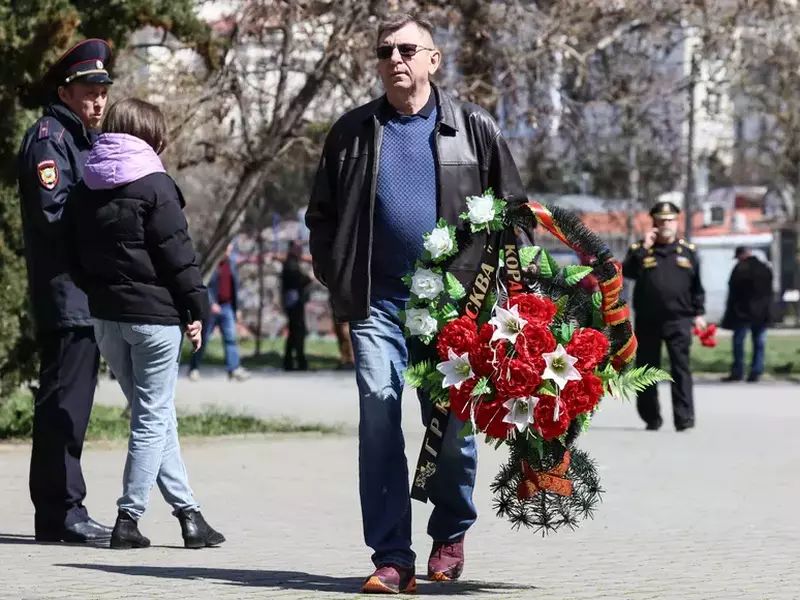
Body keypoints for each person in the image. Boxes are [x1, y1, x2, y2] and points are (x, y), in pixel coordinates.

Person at [306, 14, 528, 593]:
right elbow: (322, 216)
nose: (395, 59)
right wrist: (336, 273)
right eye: (385, 50)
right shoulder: (352, 131)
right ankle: (391, 557)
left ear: (434, 59)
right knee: (378, 414)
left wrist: (518, 295)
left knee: (452, 427)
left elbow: (515, 215)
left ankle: (450, 532)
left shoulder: (474, 127)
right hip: (378, 302)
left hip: (457, 305)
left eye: (408, 49)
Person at [62, 97, 225, 550]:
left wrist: (99, 293)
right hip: (154, 321)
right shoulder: (156, 185)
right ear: (150, 136)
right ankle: (128, 518)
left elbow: (72, 256)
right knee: (153, 419)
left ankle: (190, 517)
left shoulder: (82, 186)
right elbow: (179, 257)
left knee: (156, 415)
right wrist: (195, 308)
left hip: (106, 320)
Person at [17, 38, 115, 544]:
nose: (98, 100)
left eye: (102, 90)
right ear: (65, 90)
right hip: (66, 293)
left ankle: (60, 511)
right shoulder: (50, 138)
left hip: (82, 293)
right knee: (63, 406)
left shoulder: (78, 138)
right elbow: (52, 213)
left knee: (71, 406)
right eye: (88, 90)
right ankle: (61, 512)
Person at [622, 201, 706, 432]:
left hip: (679, 319)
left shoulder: (688, 250)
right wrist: (642, 248)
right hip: (648, 320)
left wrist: (699, 313)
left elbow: (697, 286)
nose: (666, 223)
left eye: (670, 220)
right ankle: (651, 416)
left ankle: (684, 417)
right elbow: (626, 273)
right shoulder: (641, 249)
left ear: (677, 222)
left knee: (681, 368)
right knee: (647, 370)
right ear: (654, 222)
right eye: (661, 219)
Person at [188, 243, 250, 381]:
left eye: (229, 249)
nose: (228, 252)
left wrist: (237, 308)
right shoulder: (211, 264)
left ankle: (233, 369)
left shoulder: (231, 264)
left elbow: (235, 287)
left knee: (230, 338)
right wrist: (211, 303)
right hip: (212, 308)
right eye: (226, 249)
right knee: (203, 339)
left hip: (227, 306)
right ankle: (194, 368)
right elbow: (204, 283)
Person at [721, 246, 774, 383]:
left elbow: (733, 291)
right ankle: (756, 370)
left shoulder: (739, 269)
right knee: (759, 342)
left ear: (741, 255)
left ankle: (738, 371)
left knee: (739, 341)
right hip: (761, 312)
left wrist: (730, 313)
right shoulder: (764, 268)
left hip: (743, 312)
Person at [281, 240, 312, 371]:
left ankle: (294, 361)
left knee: (296, 333)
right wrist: (307, 278)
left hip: (295, 302)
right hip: (294, 303)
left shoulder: (292, 262)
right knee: (297, 332)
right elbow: (297, 279)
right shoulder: (290, 264)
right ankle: (297, 361)